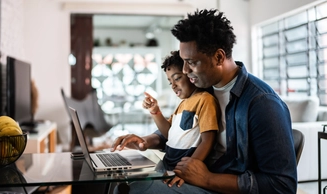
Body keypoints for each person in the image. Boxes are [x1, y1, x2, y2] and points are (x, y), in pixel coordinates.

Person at [111, 8, 297, 194]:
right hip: (192, 177)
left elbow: (282, 185)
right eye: (183, 61)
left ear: (218, 57)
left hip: (217, 186)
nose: (184, 70)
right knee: (117, 183)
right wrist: (146, 140)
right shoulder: (201, 89)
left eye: (191, 62)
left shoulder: (262, 104)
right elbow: (181, 131)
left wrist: (207, 179)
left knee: (134, 191)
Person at [141, 50, 220, 187]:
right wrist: (155, 111)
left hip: (181, 171)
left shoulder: (205, 100)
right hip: (167, 165)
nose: (173, 85)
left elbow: (208, 140)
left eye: (177, 78)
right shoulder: (183, 103)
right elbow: (168, 134)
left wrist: (188, 170)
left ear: (190, 74)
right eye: (170, 81)